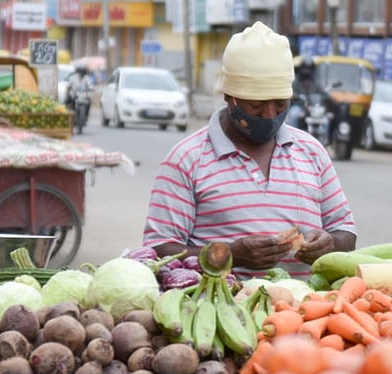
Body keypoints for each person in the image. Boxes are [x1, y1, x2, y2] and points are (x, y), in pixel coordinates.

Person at [142, 22, 356, 279]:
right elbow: (158, 251)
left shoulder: (312, 152)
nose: (269, 115)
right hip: (220, 303)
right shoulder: (186, 160)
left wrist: (331, 243)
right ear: (229, 97)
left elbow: (346, 232)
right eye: (256, 105)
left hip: (304, 305)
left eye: (280, 104)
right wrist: (229, 254)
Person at [287, 54, 336, 131]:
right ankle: (292, 135)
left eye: (309, 68)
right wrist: (295, 96)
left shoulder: (315, 83)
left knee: (326, 118)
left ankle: (324, 137)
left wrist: (329, 97)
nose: (307, 70)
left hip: (313, 108)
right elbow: (290, 93)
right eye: (305, 67)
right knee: (294, 113)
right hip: (299, 106)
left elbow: (323, 93)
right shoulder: (296, 82)